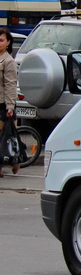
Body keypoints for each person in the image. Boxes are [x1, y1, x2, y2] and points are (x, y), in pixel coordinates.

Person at [0, 28, 19, 176]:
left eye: (1, 40)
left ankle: (16, 160)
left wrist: (10, 106)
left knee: (5, 135)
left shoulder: (8, 61)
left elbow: (11, 84)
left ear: (8, 43)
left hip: (3, 103)